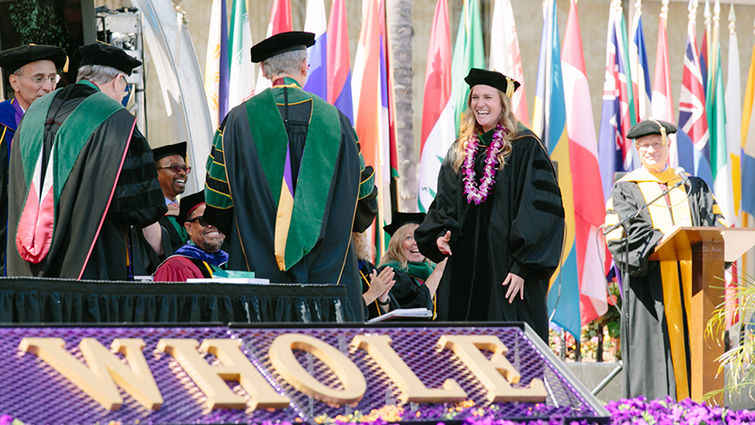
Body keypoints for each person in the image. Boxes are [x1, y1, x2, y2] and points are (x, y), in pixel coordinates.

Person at [204, 31, 377, 321]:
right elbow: (364, 201)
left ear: (263, 69)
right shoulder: (337, 122)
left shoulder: (235, 123)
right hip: (329, 284)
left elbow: (218, 203)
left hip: (258, 284)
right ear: (304, 67)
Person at [415, 68, 565, 341]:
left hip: (508, 275)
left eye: (488, 97)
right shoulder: (459, 150)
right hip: (463, 272)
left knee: (509, 353)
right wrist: (439, 236)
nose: (480, 104)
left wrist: (523, 267)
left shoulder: (525, 147)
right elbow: (443, 206)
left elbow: (542, 213)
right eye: (475, 97)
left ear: (503, 104)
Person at [6, 42, 166, 279]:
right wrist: (164, 249)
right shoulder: (117, 122)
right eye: (125, 88)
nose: (124, 95)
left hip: (26, 269)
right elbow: (140, 208)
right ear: (118, 81)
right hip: (94, 267)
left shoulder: (35, 113)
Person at [603, 119, 727, 400]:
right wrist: (660, 240)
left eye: (656, 144)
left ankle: (701, 411)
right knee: (655, 361)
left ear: (668, 145)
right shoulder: (626, 189)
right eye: (644, 146)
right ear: (636, 149)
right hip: (651, 290)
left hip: (696, 286)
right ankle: (655, 414)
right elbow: (622, 236)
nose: (650, 150)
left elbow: (715, 226)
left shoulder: (693, 187)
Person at [0, 44, 67, 274]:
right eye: (39, 79)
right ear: (15, 82)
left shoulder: (64, 124)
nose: (48, 87)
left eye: (52, 78)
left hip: (53, 233)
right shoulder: (2, 121)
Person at [380, 212, 446, 316]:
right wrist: (439, 271)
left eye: (420, 237)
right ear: (397, 245)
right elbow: (416, 311)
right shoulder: (391, 273)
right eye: (409, 237)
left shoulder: (430, 270)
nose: (416, 242)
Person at [153, 191, 228, 282]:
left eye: (217, 219)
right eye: (204, 220)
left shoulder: (231, 262)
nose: (212, 225)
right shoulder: (175, 267)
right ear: (189, 228)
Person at [153, 141, 191, 251]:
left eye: (185, 169)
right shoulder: (148, 215)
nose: (183, 173)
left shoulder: (189, 213)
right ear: (155, 173)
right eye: (175, 168)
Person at [352, 230, 397, 320]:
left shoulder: (366, 268)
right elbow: (338, 314)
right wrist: (371, 294)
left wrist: (383, 299)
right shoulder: (328, 271)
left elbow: (388, 317)